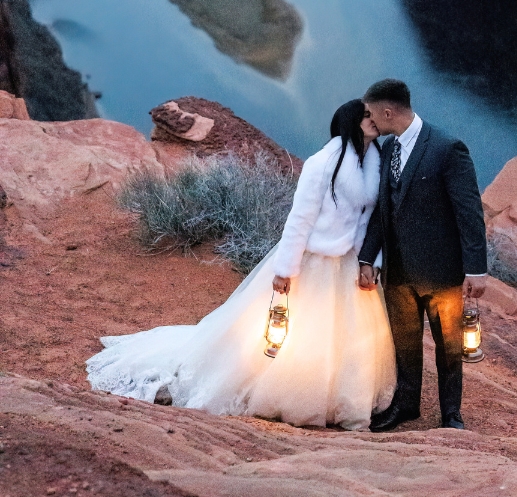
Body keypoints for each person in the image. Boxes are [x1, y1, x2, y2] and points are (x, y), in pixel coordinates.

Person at [86, 100, 396, 430]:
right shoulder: (322, 164)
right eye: (365, 116)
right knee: (300, 332)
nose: (373, 120)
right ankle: (297, 395)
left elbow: (368, 220)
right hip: (312, 261)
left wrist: (369, 261)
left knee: (349, 335)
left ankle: (343, 397)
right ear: (350, 122)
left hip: (348, 263)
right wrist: (285, 270)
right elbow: (299, 220)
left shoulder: (371, 164)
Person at [358, 79, 487, 431]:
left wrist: (476, 268)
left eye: (371, 114)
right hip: (398, 272)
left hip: (441, 272)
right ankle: (406, 406)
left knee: (449, 346)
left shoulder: (447, 147)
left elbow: (469, 211)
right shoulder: (387, 149)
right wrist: (367, 257)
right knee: (405, 344)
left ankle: (451, 414)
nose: (369, 120)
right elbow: (383, 211)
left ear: (388, 112)